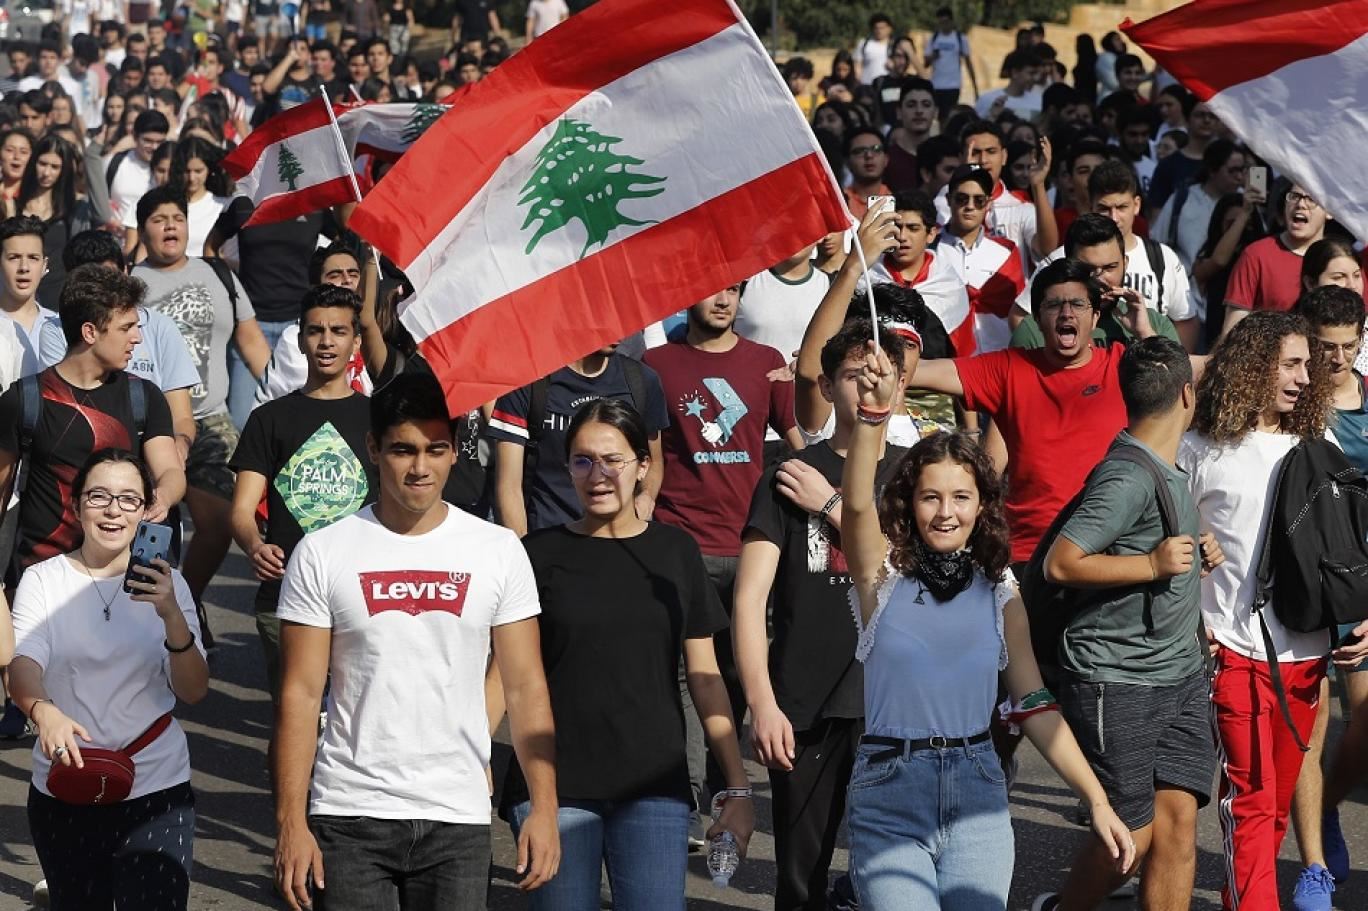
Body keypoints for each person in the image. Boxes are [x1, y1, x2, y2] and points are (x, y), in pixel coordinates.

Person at [840, 356, 1133, 909]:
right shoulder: (882, 575)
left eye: (961, 497)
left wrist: (1096, 800)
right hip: (889, 789)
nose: (945, 513)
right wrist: (873, 417)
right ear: (910, 502)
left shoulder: (1000, 591)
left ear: (982, 505)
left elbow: (1035, 705)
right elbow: (856, 505)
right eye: (930, 497)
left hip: (978, 790)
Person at [272, 372, 559, 910]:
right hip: (349, 811)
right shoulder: (322, 552)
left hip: (457, 814)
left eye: (436, 449)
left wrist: (544, 808)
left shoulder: (498, 550)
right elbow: (300, 695)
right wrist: (291, 821)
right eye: (403, 450)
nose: (421, 467)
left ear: (455, 452)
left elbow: (526, 688)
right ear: (373, 449)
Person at [504, 398, 753, 909]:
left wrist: (738, 786)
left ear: (643, 465)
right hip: (554, 785)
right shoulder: (535, 555)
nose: (597, 475)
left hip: (654, 785)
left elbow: (705, 676)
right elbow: (504, 677)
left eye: (613, 460)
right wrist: (469, 766)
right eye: (582, 460)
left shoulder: (675, 552)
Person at [1033, 337, 1219, 910]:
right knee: (1130, 839)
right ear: (1186, 396)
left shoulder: (1163, 465)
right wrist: (1152, 565)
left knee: (1179, 822)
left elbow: (1151, 548)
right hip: (1118, 681)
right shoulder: (1127, 476)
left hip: (1180, 675)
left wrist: (1195, 554)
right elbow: (1061, 562)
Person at [735, 320, 913, 911]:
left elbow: (913, 572)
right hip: (805, 700)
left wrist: (833, 505)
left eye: (882, 374)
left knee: (893, 875)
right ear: (828, 386)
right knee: (800, 879)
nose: (870, 386)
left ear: (901, 386)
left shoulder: (920, 474)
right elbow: (750, 599)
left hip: (895, 700)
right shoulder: (788, 474)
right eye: (856, 374)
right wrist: (761, 703)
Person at [1178, 310, 1336, 911]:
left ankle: (1241, 897)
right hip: (1233, 650)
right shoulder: (1200, 448)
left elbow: (1344, 549)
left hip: (1307, 653)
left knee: (1275, 805)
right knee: (1249, 800)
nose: (1304, 378)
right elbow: (1163, 532)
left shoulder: (1318, 446)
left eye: (1307, 365)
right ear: (1253, 366)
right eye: (1290, 364)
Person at [9, 448, 208, 911]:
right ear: (76, 505)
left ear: (147, 510)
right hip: (67, 780)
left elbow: (194, 689)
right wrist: (43, 712)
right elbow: (22, 666)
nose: (113, 510)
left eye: (128, 499)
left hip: (157, 784)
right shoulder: (43, 581)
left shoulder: (172, 586)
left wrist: (171, 615)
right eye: (98, 496)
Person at [912, 257, 1145, 564]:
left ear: (1095, 317)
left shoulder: (1123, 365)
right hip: (1029, 558)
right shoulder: (1009, 369)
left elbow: (1186, 375)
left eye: (1078, 304)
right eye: (1054, 305)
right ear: (1036, 317)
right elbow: (916, 371)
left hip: (1109, 555)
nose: (1066, 313)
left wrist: (1145, 333)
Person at [230, 283, 377, 704]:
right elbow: (241, 511)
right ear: (300, 340)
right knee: (295, 720)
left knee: (360, 721)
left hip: (361, 598)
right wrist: (254, 545)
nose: (326, 341)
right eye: (315, 331)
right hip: (286, 598)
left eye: (338, 331)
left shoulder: (379, 420)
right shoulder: (268, 419)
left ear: (356, 342)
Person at [133, 185, 271, 631]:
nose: (170, 226)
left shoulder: (218, 274)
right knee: (151, 526)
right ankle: (145, 622)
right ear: (142, 231)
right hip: (149, 425)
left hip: (211, 418)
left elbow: (251, 340)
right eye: (158, 219)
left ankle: (185, 604)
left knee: (226, 518)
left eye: (177, 217)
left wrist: (285, 396)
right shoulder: (130, 282)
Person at [0, 264, 185, 582]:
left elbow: (170, 470)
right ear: (89, 332)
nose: (137, 338)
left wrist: (163, 496)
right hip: (40, 575)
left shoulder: (144, 397)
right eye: (126, 328)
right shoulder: (25, 399)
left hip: (120, 576)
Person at [1287, 286, 1368, 892]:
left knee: (1363, 728)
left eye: (1347, 346)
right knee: (1309, 733)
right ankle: (1314, 863)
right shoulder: (1288, 407)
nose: (1336, 358)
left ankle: (1329, 804)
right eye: (1324, 346)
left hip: (1363, 588)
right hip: (1307, 588)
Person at [490, 341, 668, 537]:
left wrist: (646, 496)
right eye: (602, 322)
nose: (616, 330)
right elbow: (508, 485)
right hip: (549, 536)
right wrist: (525, 549)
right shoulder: (528, 380)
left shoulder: (641, 380)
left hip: (619, 540)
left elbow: (654, 461)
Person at [1010, 214, 1180, 350]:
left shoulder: (1155, 324)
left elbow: (1177, 379)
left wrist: (1146, 335)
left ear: (1125, 264)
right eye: (1088, 269)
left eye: (1110, 268)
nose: (1100, 279)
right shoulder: (1035, 331)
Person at [936, 164, 1026, 354]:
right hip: (947, 360)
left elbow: (1020, 310)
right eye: (962, 198)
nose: (970, 206)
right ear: (949, 200)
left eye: (979, 200)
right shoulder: (930, 251)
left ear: (988, 204)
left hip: (999, 356)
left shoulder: (1007, 252)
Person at [1221, 184, 1331, 338]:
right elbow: (1232, 329)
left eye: (1311, 199)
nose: (1301, 204)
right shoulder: (1256, 254)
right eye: (1294, 196)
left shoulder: (1342, 259)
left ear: (1329, 212)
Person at [6, 138, 91, 311]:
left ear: (64, 170)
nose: (46, 172)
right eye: (42, 163)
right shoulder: (12, 205)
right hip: (18, 294)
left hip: (58, 296)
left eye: (55, 167)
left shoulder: (75, 207)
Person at [1151, 139, 1249, 272]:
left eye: (1242, 170)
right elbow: (1157, 243)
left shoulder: (1246, 203)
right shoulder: (1183, 199)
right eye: (1233, 171)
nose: (1239, 177)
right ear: (1212, 170)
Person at [0, 215, 62, 375]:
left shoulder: (60, 326)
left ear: (44, 265)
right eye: (14, 258)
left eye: (33, 258)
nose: (24, 267)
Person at [166, 136, 231, 258]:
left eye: (198, 171)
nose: (192, 178)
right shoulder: (166, 204)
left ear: (209, 170)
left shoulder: (224, 206)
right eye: (187, 171)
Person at [107, 109, 168, 233]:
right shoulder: (114, 163)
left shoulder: (172, 168)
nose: (154, 147)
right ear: (135, 136)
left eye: (160, 142)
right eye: (148, 141)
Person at [925, 5, 977, 119]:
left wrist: (975, 86)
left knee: (949, 114)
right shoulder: (933, 38)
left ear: (951, 21)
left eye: (946, 22)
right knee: (937, 115)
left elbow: (968, 62)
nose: (944, 25)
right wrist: (933, 56)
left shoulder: (960, 38)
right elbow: (925, 63)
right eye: (941, 23)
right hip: (936, 84)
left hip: (953, 84)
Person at [974, 49, 1043, 122]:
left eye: (1036, 73)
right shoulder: (987, 100)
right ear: (1015, 73)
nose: (1036, 78)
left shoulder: (1039, 101)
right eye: (1031, 73)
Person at [842, 126, 892, 220]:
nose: (869, 155)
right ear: (847, 162)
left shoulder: (898, 201)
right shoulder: (839, 203)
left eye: (876, 149)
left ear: (886, 159)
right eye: (859, 151)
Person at [855, 13, 893, 87]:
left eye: (882, 28)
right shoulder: (863, 44)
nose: (879, 31)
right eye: (876, 28)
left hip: (887, 86)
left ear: (889, 28)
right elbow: (857, 65)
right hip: (867, 85)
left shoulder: (895, 46)